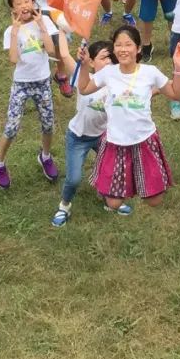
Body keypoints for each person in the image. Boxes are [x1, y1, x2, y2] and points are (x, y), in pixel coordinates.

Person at [77, 25, 180, 214]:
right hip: (115, 143)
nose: (123, 49)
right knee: (113, 203)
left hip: (144, 141)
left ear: (138, 48)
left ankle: (136, 181)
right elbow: (84, 88)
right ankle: (129, 183)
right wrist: (85, 65)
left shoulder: (150, 72)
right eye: (118, 45)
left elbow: (175, 94)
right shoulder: (108, 73)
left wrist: (177, 67)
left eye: (128, 44)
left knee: (154, 200)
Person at [0, 0, 65, 188]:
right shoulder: (10, 31)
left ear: (33, 3)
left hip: (42, 82)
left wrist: (41, 25)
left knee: (48, 124)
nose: (24, 5)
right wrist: (15, 32)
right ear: (13, 9)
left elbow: (51, 50)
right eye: (18, 3)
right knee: (12, 127)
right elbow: (13, 59)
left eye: (27, 1)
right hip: (21, 84)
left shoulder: (44, 22)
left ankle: (45, 156)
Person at [51, 40, 114, 228]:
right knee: (74, 179)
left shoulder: (118, 83)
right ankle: (64, 205)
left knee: (111, 168)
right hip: (78, 137)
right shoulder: (84, 76)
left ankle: (106, 194)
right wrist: (62, 30)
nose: (109, 61)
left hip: (103, 136)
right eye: (104, 57)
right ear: (92, 62)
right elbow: (64, 54)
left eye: (112, 58)